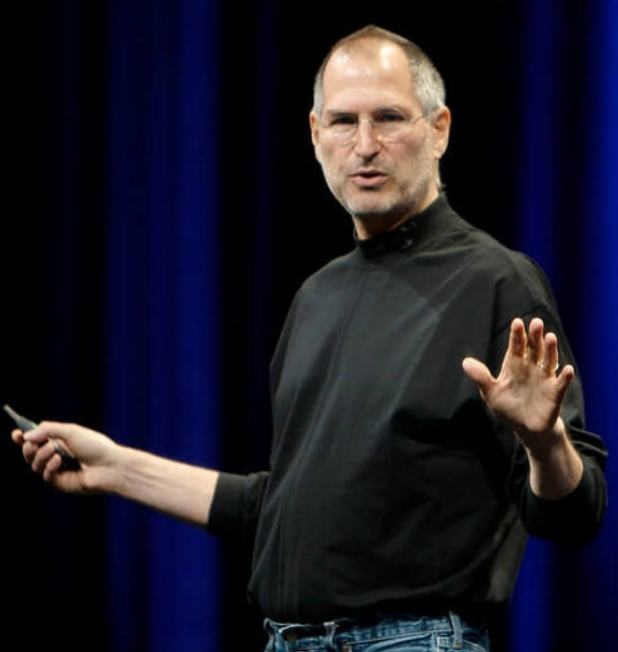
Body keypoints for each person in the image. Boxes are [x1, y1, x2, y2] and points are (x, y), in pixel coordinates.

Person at [11, 25, 608, 652]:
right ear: (316, 135)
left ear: (440, 130)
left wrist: (544, 443)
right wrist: (115, 468)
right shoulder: (317, 297)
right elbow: (280, 509)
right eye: (344, 122)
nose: (366, 145)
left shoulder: (497, 283)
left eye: (389, 118)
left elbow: (578, 514)